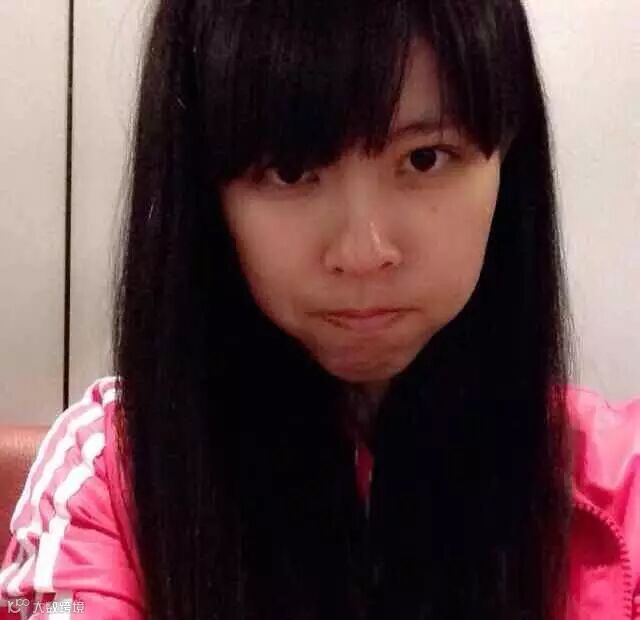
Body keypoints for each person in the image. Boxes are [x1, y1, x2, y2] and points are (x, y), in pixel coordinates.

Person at [1, 0, 639, 618]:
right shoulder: (107, 480)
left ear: (507, 162)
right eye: (289, 170)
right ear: (204, 193)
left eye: (425, 158)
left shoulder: (619, 486)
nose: (363, 252)